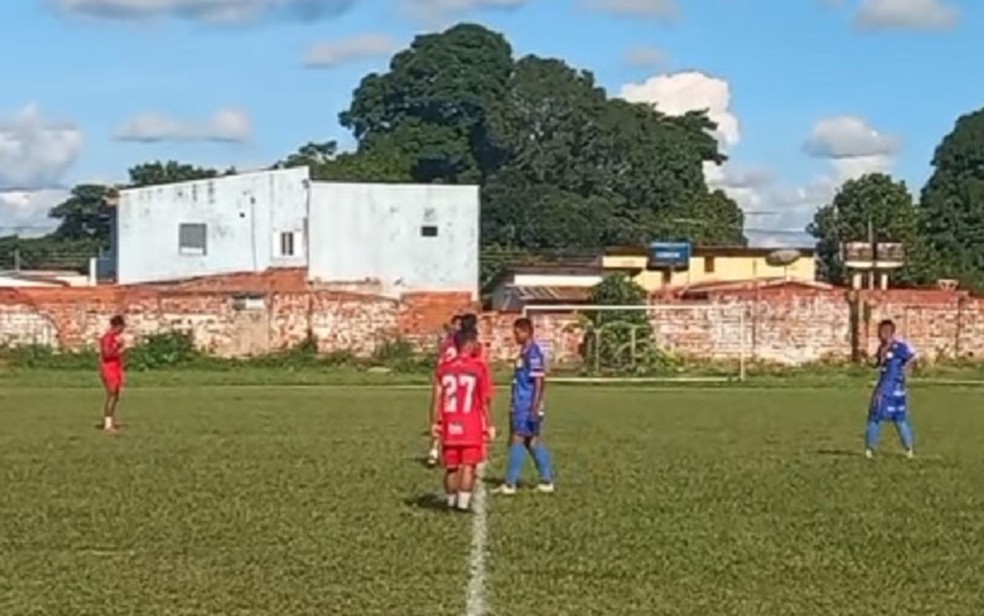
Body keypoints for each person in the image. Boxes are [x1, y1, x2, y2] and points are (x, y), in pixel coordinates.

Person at [431, 329, 495, 511]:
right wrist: (490, 424)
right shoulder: (478, 367)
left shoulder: (444, 368)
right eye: (475, 342)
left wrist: (435, 422)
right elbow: (485, 400)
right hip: (470, 424)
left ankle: (450, 502)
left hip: (450, 423)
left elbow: (437, 398)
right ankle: (462, 504)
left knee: (451, 467)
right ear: (468, 344)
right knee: (468, 465)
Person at [495, 317, 555, 494]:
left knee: (518, 439)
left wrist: (534, 407)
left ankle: (510, 483)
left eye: (517, 333)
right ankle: (546, 480)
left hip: (527, 403)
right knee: (532, 442)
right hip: (521, 402)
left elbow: (539, 381)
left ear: (526, 332)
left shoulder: (533, 353)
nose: (515, 336)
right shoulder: (524, 351)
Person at [866, 319, 916, 459]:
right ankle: (908, 450)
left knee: (876, 418)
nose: (879, 335)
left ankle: (870, 450)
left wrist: (906, 374)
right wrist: (872, 362)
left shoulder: (898, 347)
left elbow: (911, 359)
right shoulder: (881, 348)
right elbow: (878, 363)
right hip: (890, 387)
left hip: (888, 390)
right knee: (899, 419)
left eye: (881, 332)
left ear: (888, 332)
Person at [428, 315, 463, 466]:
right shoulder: (448, 345)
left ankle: (449, 449)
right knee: (439, 412)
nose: (457, 328)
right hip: (447, 379)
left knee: (453, 415)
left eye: (460, 325)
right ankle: (435, 447)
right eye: (456, 325)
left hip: (457, 381)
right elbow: (441, 362)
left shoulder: (462, 344)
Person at [99, 315, 127, 433]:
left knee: (116, 395)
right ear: (118, 326)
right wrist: (119, 349)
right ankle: (107, 424)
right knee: (111, 395)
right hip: (108, 369)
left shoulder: (114, 338)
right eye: (122, 327)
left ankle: (110, 421)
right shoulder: (107, 338)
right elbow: (106, 354)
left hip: (115, 368)